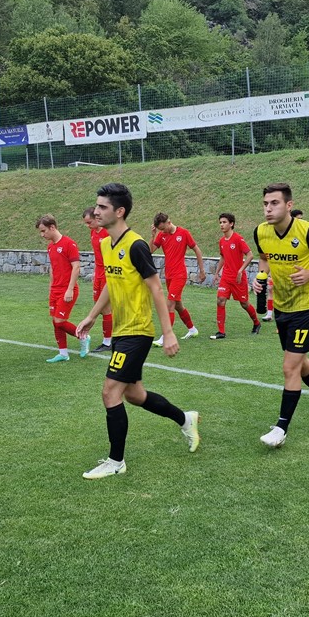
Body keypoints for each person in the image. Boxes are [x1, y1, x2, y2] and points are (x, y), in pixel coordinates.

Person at [76, 183, 200, 479]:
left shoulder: (136, 245)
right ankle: (185, 419)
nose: (96, 211)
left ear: (119, 211)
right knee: (134, 394)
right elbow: (111, 283)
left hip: (137, 332)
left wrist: (168, 332)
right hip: (121, 330)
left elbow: (156, 288)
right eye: (97, 205)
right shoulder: (106, 244)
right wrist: (92, 315)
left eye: (103, 207)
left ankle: (116, 462)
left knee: (110, 392)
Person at [252, 184, 309, 447]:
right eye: (265, 204)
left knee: (289, 366)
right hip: (282, 307)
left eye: (275, 203)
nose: (268, 209)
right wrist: (261, 276)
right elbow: (264, 258)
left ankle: (281, 429)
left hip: (306, 308)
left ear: (289, 205)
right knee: (300, 363)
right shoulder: (261, 231)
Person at [37, 214, 89, 362]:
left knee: (59, 321)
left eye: (43, 231)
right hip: (55, 290)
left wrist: (70, 289)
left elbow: (76, 267)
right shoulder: (50, 247)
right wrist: (51, 288)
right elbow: (53, 269)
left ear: (52, 227)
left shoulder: (69, 244)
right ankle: (63, 353)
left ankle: (83, 336)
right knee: (55, 322)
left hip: (67, 289)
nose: (42, 235)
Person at [151, 212, 207, 345]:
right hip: (169, 275)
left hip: (179, 275)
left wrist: (202, 270)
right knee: (178, 305)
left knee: (169, 304)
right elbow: (150, 251)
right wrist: (153, 236)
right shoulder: (161, 235)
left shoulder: (184, 233)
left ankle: (166, 337)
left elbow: (197, 250)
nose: (162, 231)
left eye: (163, 228)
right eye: (160, 230)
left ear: (168, 222)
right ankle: (192, 329)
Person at [210, 212, 260, 339]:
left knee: (244, 303)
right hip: (226, 277)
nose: (221, 225)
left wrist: (240, 270)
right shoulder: (222, 241)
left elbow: (250, 255)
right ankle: (221, 332)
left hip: (238, 279)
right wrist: (217, 272)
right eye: (220, 222)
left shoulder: (238, 239)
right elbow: (223, 257)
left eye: (224, 222)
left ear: (231, 224)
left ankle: (256, 323)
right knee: (220, 300)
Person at [82, 206, 114, 353]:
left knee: (105, 308)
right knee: (99, 306)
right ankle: (111, 337)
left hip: (108, 273)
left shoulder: (108, 233)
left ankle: (107, 342)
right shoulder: (93, 233)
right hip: (98, 273)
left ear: (97, 218)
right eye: (86, 223)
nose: (88, 226)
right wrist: (96, 272)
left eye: (89, 222)